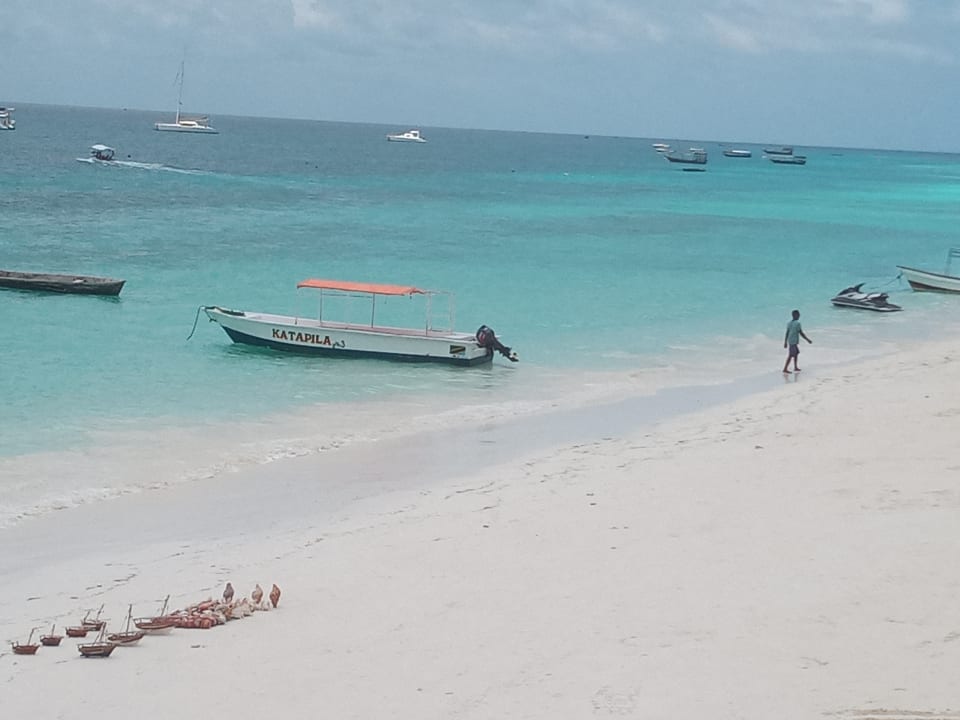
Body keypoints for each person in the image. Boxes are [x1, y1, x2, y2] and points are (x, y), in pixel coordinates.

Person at [782, 309, 812, 373]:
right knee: (790, 355)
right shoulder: (797, 323)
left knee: (796, 353)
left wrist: (785, 342)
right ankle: (785, 368)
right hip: (793, 342)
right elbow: (801, 333)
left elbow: (787, 333)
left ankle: (795, 367)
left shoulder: (789, 323)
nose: (799, 316)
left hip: (791, 341)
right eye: (798, 315)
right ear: (795, 315)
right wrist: (807, 340)